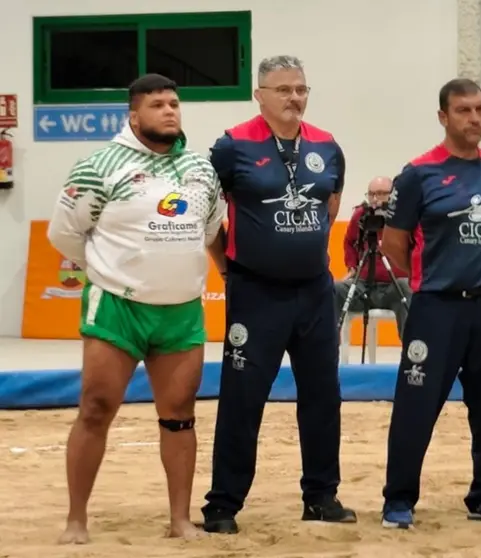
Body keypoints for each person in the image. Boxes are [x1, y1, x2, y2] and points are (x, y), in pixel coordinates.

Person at [46, 73, 226, 543]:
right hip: (117, 309)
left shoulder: (202, 170)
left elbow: (210, 231)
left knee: (180, 413)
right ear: (133, 115)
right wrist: (110, 268)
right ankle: (75, 521)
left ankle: (180, 520)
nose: (169, 111)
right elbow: (64, 234)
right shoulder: (99, 165)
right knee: (96, 408)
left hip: (181, 309)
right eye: (157, 105)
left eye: (174, 103)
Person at [201, 55, 356, 534]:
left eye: (301, 89)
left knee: (322, 396)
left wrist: (299, 248)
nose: (294, 98)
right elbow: (209, 214)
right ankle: (223, 505)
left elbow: (330, 204)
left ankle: (321, 496)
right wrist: (230, 268)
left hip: (313, 291)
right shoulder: (231, 147)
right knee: (243, 400)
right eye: (284, 89)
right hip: (255, 293)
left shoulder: (327, 146)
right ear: (260, 94)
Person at [379, 78, 481, 529]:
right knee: (416, 405)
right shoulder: (419, 173)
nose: (475, 118)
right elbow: (394, 242)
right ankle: (399, 500)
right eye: (464, 110)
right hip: (437, 308)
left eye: (480, 109)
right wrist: (438, 276)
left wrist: (479, 273)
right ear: (443, 117)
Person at [334, 175, 412, 340]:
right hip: (363, 286)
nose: (376, 199)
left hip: (395, 287)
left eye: (382, 193)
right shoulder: (361, 216)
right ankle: (329, 348)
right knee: (333, 290)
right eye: (372, 194)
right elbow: (349, 241)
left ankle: (412, 352)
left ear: (392, 195)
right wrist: (352, 266)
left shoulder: (403, 217)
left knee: (408, 288)